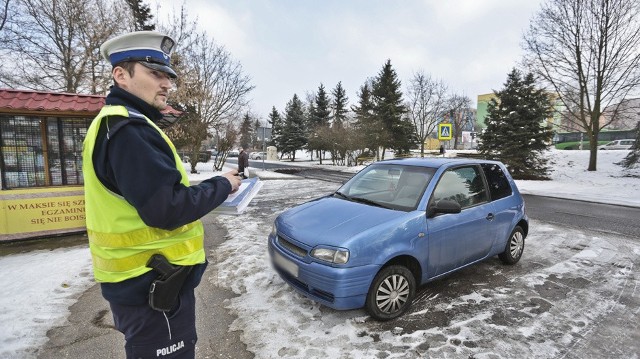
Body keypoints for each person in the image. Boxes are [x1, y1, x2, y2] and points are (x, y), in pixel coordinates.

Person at [82, 31, 242, 359]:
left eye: (168, 76)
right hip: (154, 287)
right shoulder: (130, 132)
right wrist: (223, 185)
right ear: (121, 75)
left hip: (147, 283)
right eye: (155, 73)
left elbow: (158, 196)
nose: (167, 84)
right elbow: (167, 209)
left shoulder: (118, 124)